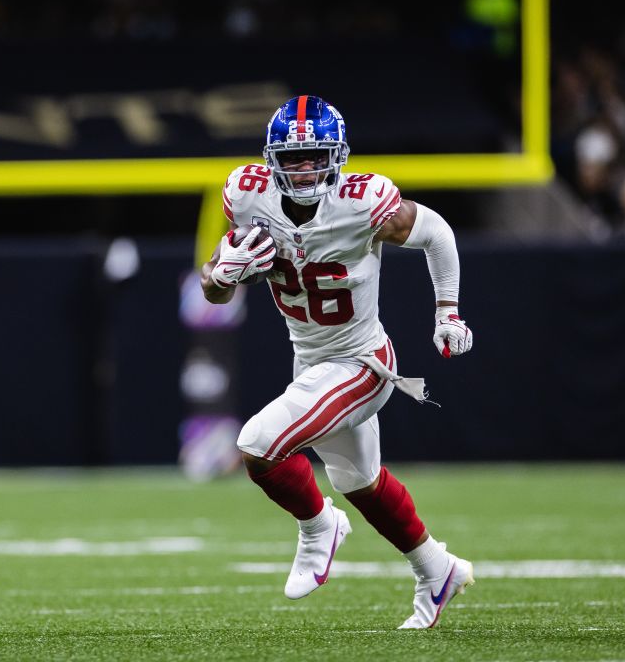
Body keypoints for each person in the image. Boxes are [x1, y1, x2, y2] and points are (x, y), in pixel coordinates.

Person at [200, 96, 476, 629]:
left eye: (315, 156)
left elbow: (436, 232)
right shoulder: (247, 194)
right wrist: (223, 274)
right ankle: (436, 569)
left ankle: (318, 526)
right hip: (311, 360)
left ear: (338, 156)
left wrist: (449, 312)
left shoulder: (362, 202)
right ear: (271, 158)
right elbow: (213, 290)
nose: (305, 169)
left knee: (258, 445)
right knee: (360, 482)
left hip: (362, 361)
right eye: (293, 157)